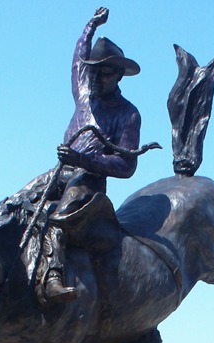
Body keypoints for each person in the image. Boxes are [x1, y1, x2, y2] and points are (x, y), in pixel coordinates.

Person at [27, 6, 142, 305]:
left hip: (88, 182)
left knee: (58, 216)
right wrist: (89, 27)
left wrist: (85, 161)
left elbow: (126, 165)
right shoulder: (84, 94)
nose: (93, 76)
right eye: (92, 70)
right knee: (21, 202)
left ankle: (52, 276)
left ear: (117, 75)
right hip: (60, 172)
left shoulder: (128, 114)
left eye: (101, 72)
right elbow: (77, 60)